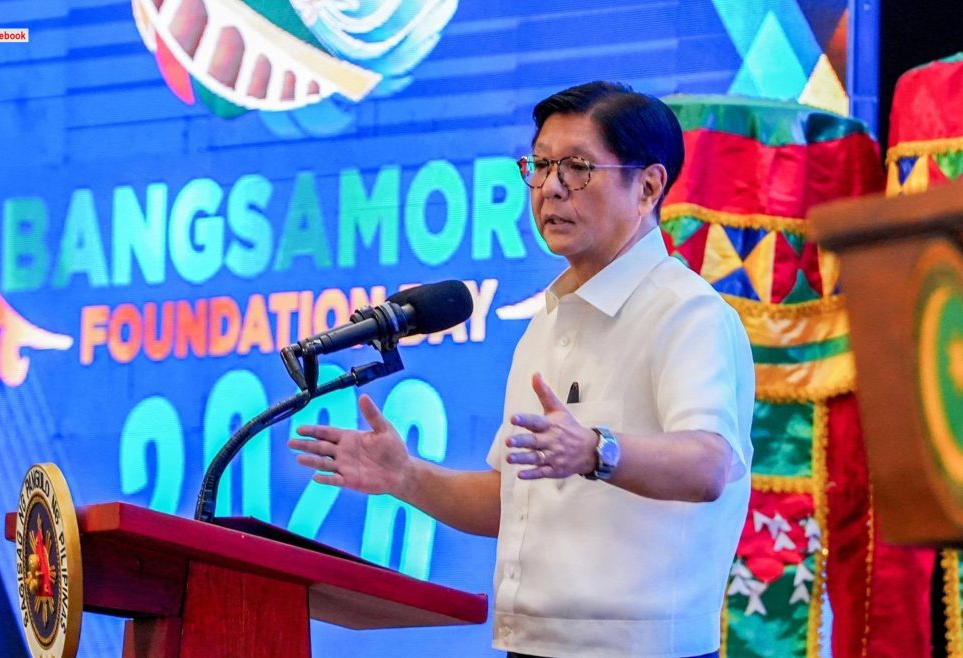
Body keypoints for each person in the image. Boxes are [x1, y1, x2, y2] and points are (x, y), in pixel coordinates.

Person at [289, 81, 754, 658]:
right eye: (539, 165)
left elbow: (710, 464)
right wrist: (406, 477)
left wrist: (596, 450)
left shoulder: (688, 313)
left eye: (578, 167)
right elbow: (512, 499)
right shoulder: (548, 323)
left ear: (649, 186)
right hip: (531, 646)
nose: (551, 188)